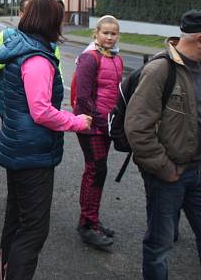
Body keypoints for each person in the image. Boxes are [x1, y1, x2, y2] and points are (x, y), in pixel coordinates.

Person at [124, 10, 201, 280]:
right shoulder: (160, 70)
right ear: (200, 39)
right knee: (160, 244)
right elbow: (138, 128)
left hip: (200, 172)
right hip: (169, 175)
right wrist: (164, 168)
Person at [0, 0, 91, 280]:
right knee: (33, 230)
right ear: (50, 20)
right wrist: (77, 121)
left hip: (17, 147)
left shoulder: (20, 48)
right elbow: (41, 112)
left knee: (15, 222)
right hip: (32, 153)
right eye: (60, 17)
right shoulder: (37, 59)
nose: (63, 22)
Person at [73, 15, 123, 248]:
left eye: (114, 33)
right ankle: (87, 224)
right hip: (91, 125)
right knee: (95, 171)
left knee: (99, 172)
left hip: (106, 126)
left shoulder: (115, 58)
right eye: (106, 33)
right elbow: (83, 98)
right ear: (96, 33)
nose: (110, 37)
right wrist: (103, 122)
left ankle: (91, 219)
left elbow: (116, 93)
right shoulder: (89, 58)